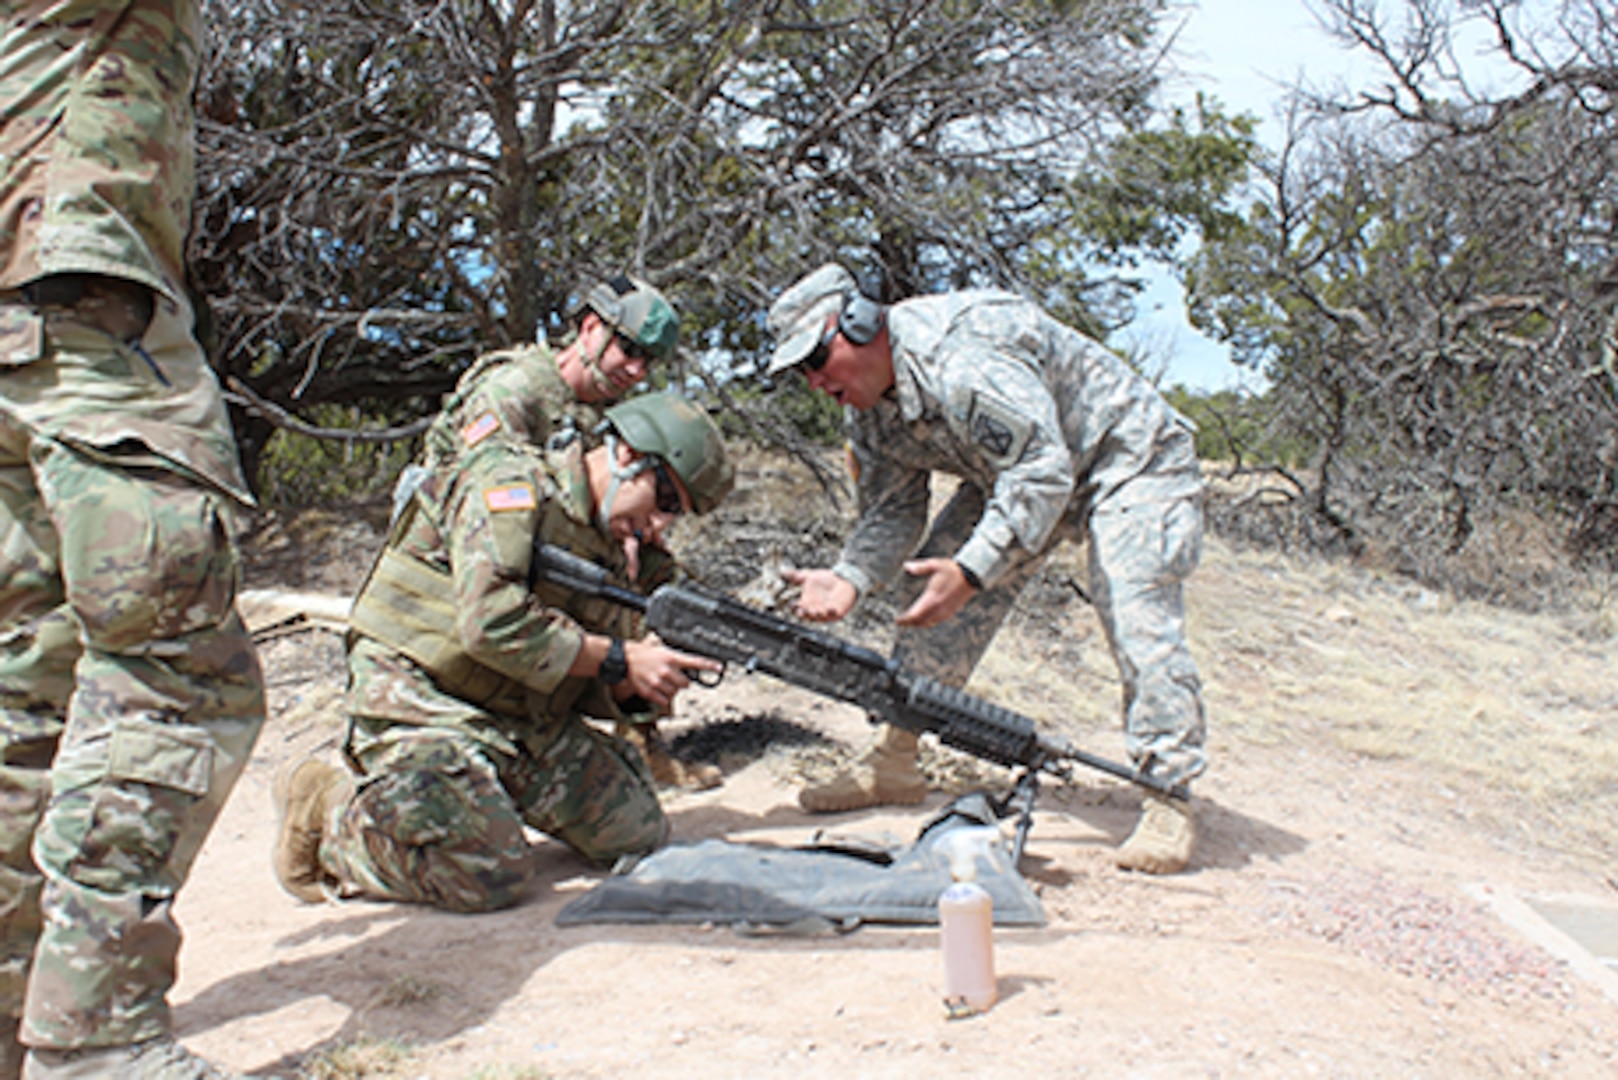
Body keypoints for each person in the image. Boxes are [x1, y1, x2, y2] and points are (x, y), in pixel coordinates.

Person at [1, 2, 267, 1077]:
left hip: (22, 333)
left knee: (26, 690)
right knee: (176, 674)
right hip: (88, 316)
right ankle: (96, 1034)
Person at [766, 264, 1208, 875]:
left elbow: (1042, 469)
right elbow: (894, 511)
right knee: (931, 595)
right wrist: (850, 577)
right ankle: (893, 757)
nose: (813, 380)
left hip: (1126, 461)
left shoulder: (960, 357)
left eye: (817, 357)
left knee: (1135, 618)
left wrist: (972, 571)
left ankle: (1169, 793)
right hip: (1022, 472)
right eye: (800, 372)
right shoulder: (866, 411)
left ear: (861, 324)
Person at [271, 394, 734, 912]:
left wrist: (631, 687)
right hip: (420, 693)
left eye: (678, 516)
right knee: (488, 875)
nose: (661, 525)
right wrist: (620, 659)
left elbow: (578, 675)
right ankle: (328, 812)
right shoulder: (508, 483)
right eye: (666, 501)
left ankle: (473, 794)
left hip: (511, 714)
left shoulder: (611, 549)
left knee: (636, 831)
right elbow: (490, 622)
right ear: (628, 455)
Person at [417, 274, 679, 472]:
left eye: (649, 362)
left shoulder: (608, 418)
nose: (637, 370)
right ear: (590, 328)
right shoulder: (512, 390)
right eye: (629, 349)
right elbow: (488, 495)